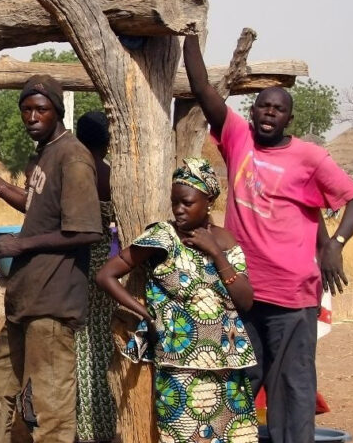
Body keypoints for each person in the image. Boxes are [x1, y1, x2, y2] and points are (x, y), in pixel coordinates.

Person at [182, 34, 353, 443]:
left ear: (289, 119)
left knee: (293, 391)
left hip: (292, 297)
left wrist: (335, 245)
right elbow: (202, 88)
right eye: (263, 106)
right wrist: (189, 33)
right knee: (240, 383)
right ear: (253, 113)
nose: (269, 114)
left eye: (278, 109)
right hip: (243, 291)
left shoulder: (309, 158)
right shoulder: (237, 138)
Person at [0, 75, 103, 443]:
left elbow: (87, 231)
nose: (32, 116)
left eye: (41, 109)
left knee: (50, 413)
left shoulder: (73, 157)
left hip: (52, 303)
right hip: (25, 300)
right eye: (26, 109)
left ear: (57, 112)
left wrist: (20, 246)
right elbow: (34, 206)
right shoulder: (46, 153)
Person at [96, 158, 258, 442]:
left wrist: (216, 253)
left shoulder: (225, 241)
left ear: (208, 201)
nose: (179, 210)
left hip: (227, 363)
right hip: (179, 363)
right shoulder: (163, 237)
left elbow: (245, 301)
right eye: (175, 202)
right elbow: (106, 276)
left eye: (187, 203)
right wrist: (145, 315)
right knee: (181, 436)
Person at [73, 111, 117, 443]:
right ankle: (103, 427)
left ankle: (83, 428)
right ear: (109, 140)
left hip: (78, 266)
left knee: (79, 349)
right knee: (101, 348)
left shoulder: (79, 174)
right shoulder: (111, 176)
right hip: (107, 267)